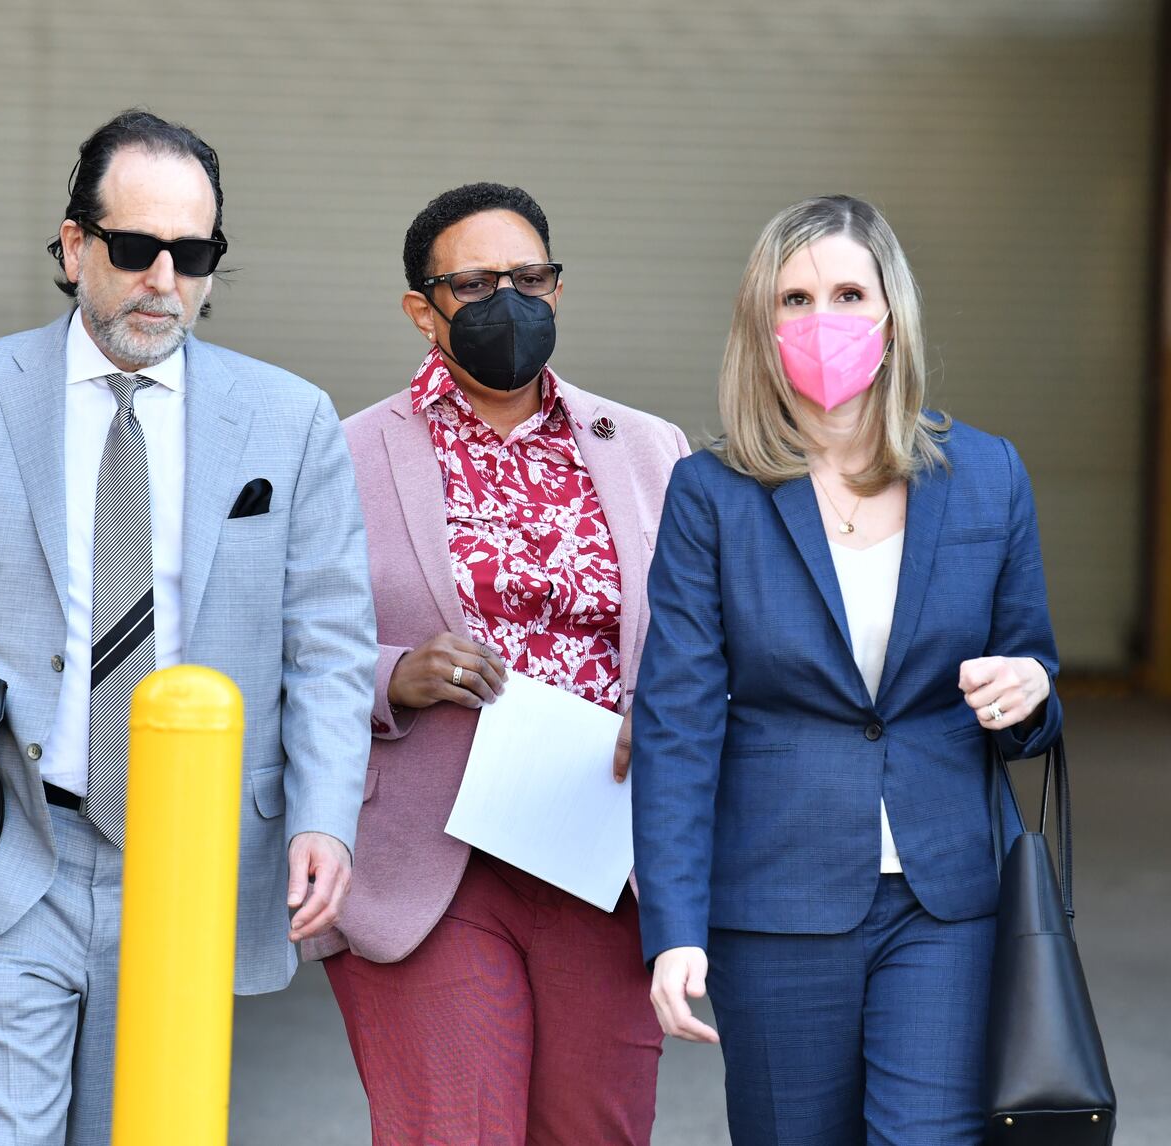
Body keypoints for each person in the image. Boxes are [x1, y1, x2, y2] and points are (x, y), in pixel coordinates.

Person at [0, 109, 376, 1145]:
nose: (163, 277)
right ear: (74, 247)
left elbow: (327, 646)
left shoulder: (289, 419)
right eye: (135, 247)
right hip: (6, 839)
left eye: (192, 253)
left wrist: (326, 814)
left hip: (193, 860)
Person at [631, 194, 1063, 1144]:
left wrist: (1032, 692)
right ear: (761, 323)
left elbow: (1034, 670)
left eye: (847, 292)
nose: (821, 319)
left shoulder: (989, 475)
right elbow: (677, 723)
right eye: (794, 299)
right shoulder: (712, 494)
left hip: (947, 896)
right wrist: (674, 926)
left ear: (892, 312)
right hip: (775, 900)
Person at [304, 183, 688, 1144]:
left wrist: (673, 710)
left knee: (595, 1131)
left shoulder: (649, 451)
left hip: (605, 854)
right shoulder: (342, 455)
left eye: (530, 278)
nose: (507, 303)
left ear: (558, 292)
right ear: (421, 309)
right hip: (431, 862)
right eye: (473, 284)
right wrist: (393, 672)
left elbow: (702, 638)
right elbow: (281, 642)